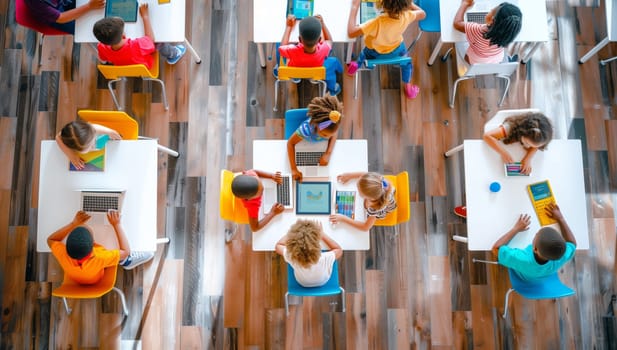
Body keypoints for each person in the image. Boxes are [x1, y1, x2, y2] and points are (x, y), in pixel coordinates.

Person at [454, 112, 553, 218]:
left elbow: (535, 146)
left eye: (534, 146)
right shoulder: (510, 128)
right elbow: (487, 136)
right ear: (522, 133)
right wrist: (504, 153)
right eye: (528, 143)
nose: (529, 147)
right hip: (494, 155)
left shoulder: (541, 136)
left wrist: (528, 158)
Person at [47, 210, 154, 285]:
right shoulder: (99, 256)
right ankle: (126, 262)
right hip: (95, 279)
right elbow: (126, 251)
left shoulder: (63, 254)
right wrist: (117, 224)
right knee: (120, 253)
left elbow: (50, 240)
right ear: (93, 243)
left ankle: (123, 261)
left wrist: (73, 224)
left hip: (76, 280)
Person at [346, 0, 426, 99]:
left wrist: (354, 7)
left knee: (364, 54)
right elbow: (423, 14)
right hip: (397, 49)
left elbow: (351, 32)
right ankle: (408, 87)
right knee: (407, 64)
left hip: (374, 52)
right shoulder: (407, 15)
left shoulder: (377, 22)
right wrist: (410, 4)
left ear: (382, 4)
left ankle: (355, 68)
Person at [492, 203, 576, 281]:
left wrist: (516, 229)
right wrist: (560, 218)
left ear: (535, 249)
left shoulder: (522, 258)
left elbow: (496, 249)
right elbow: (572, 243)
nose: (536, 233)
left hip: (523, 278)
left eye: (536, 235)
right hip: (543, 278)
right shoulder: (561, 255)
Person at [93, 3, 186, 68]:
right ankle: (173, 54)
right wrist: (145, 17)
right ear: (122, 35)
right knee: (159, 43)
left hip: (125, 66)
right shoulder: (136, 46)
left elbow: (103, 58)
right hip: (144, 64)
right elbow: (151, 40)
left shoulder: (101, 47)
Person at [277, 14, 342, 96]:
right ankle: (333, 88)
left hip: (294, 71)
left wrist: (288, 27)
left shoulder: (292, 50)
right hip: (316, 72)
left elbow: (282, 48)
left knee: (277, 45)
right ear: (319, 40)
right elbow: (329, 40)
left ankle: (295, 78)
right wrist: (322, 24)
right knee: (334, 62)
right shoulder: (324, 48)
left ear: (300, 39)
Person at [286, 95, 343, 181]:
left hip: (318, 146)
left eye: (330, 135)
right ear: (316, 125)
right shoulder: (306, 129)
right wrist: (294, 169)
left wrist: (328, 153)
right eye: (324, 135)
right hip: (303, 143)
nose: (328, 137)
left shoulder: (333, 123)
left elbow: (334, 134)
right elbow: (290, 143)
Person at [275, 219, 343, 287]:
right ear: (316, 242)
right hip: (323, 281)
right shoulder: (325, 258)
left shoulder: (291, 256)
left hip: (302, 283)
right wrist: (322, 234)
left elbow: (278, 246)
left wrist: (292, 233)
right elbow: (338, 249)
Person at [453, 1, 522, 64]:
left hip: (474, 62)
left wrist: (464, 4)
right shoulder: (509, 33)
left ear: (492, 20)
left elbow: (457, 24)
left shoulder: (479, 30)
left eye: (491, 11)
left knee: (458, 40)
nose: (490, 11)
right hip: (495, 61)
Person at [329, 172, 396, 230]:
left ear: (368, 197)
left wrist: (343, 219)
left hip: (386, 204)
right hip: (383, 193)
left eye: (359, 191)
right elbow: (364, 175)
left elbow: (365, 227)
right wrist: (350, 175)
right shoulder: (374, 181)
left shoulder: (374, 208)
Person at [55, 119, 122, 170]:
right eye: (90, 147)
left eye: (93, 142)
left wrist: (112, 133)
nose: (93, 146)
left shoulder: (93, 130)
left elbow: (112, 133)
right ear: (74, 148)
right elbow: (58, 137)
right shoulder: (71, 139)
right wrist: (71, 155)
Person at [24, 0, 105, 34]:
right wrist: (89, 6)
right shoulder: (35, 2)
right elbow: (61, 18)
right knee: (91, 29)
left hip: (61, 2)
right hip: (57, 18)